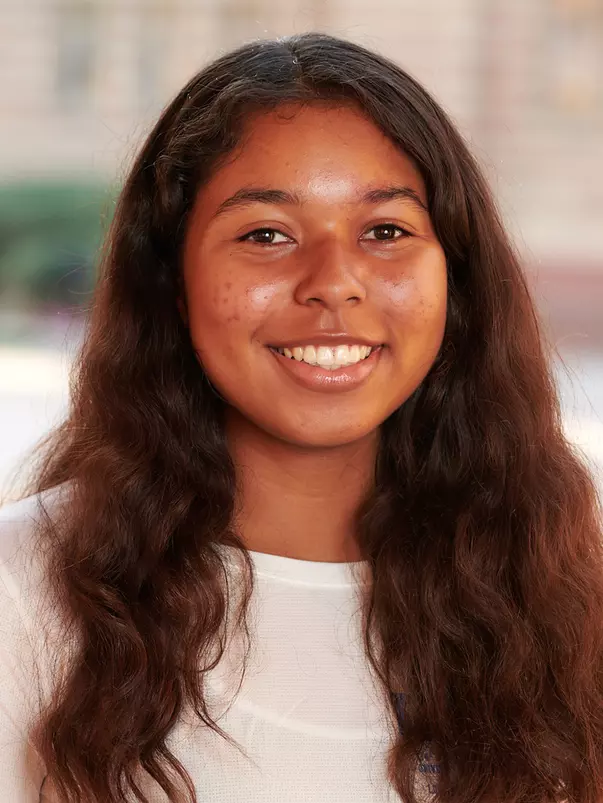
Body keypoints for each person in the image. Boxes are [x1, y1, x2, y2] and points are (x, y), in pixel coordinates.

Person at [0, 32, 602, 803]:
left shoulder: (560, 600)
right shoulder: (29, 600)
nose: (334, 283)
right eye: (266, 235)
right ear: (170, 282)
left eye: (385, 231)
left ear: (456, 280)